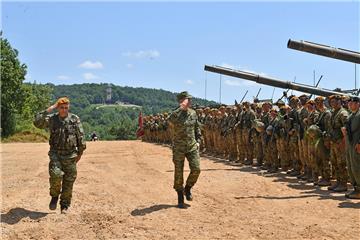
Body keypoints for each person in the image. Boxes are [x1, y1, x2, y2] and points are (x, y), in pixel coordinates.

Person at [34, 97, 86, 214]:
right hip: (56, 154)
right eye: (61, 108)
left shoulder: (74, 119)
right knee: (55, 175)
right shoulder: (52, 120)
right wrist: (50, 109)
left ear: (69, 108)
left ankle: (64, 205)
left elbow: (80, 136)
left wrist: (80, 153)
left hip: (71, 155)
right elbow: (37, 122)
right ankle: (54, 196)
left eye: (66, 108)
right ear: (58, 108)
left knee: (69, 181)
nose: (64, 110)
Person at [167, 91, 202, 208]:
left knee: (196, 169)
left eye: (190, 100)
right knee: (179, 172)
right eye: (188, 100)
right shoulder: (176, 114)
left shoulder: (193, 113)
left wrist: (198, 141)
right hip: (179, 147)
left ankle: (188, 188)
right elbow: (169, 120)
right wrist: (180, 109)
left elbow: (197, 128)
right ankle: (180, 196)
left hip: (192, 146)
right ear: (182, 101)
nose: (190, 102)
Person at [344, 96, 360, 199]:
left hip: (357, 144)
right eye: (349, 103)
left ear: (358, 103)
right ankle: (356, 188)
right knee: (350, 167)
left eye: (352, 103)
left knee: (357, 167)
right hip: (350, 144)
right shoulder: (351, 116)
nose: (350, 105)